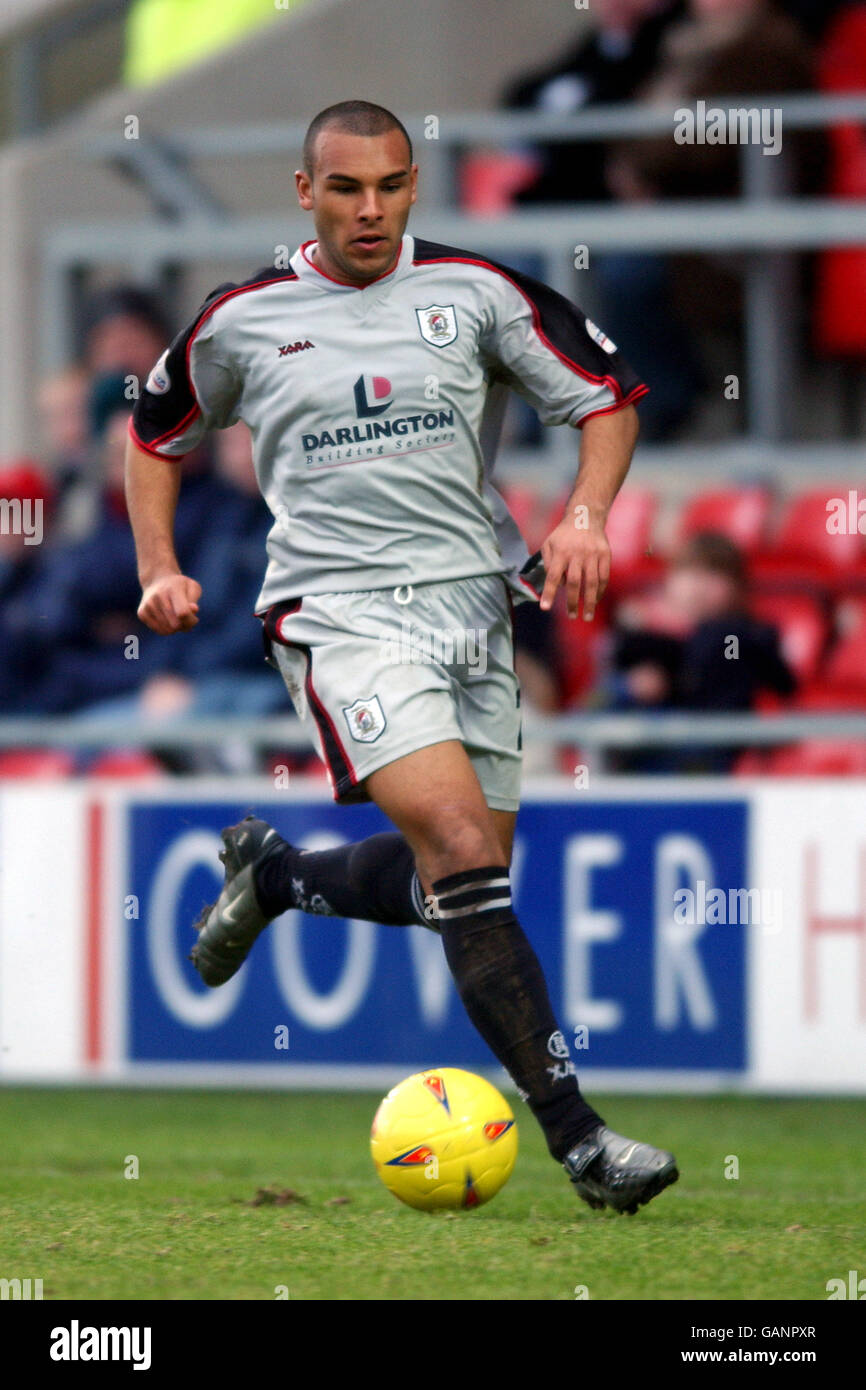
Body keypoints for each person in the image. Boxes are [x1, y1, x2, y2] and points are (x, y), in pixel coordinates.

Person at [126, 99, 677, 1215]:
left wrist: (583, 518)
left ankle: (276, 874)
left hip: (473, 609)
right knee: (465, 849)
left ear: (412, 185)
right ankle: (580, 1141)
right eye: (344, 188)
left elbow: (608, 401)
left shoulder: (478, 293)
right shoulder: (240, 319)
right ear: (304, 192)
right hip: (336, 611)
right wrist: (158, 563)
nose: (368, 210)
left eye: (388, 186)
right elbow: (151, 432)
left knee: (455, 891)